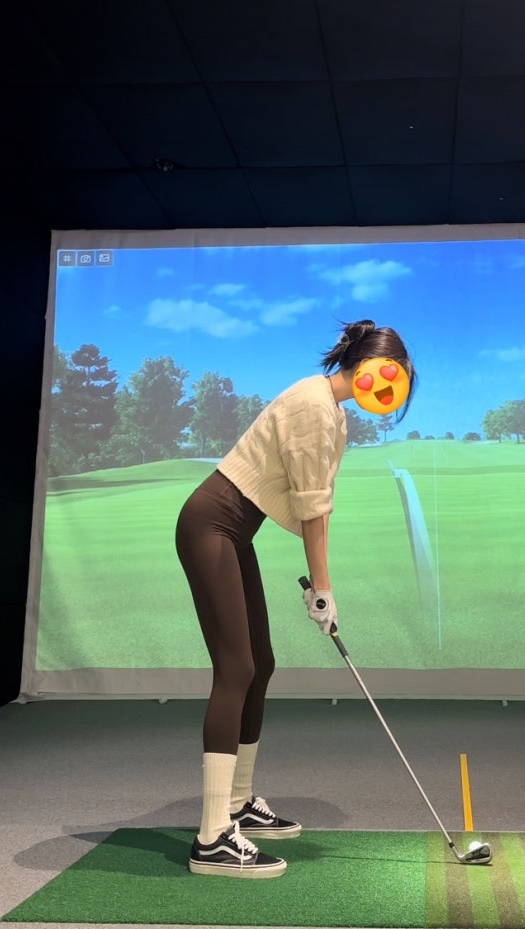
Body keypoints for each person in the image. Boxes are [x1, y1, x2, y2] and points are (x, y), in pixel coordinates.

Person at [175, 319, 417, 878]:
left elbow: (319, 504)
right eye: (390, 373)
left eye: (399, 379)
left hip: (232, 533)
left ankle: (237, 803)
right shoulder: (313, 405)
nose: (390, 387)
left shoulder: (333, 411)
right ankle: (212, 837)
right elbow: (311, 511)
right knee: (236, 668)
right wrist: (323, 591)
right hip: (210, 526)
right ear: (366, 365)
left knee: (260, 665)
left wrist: (323, 591)